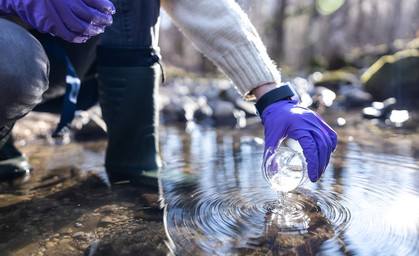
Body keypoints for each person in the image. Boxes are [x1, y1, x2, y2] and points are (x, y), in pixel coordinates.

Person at [0, 0, 337, 184]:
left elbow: (202, 5)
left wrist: (271, 94)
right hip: (14, 55)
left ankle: (134, 166)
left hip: (69, 70)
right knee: (13, 61)